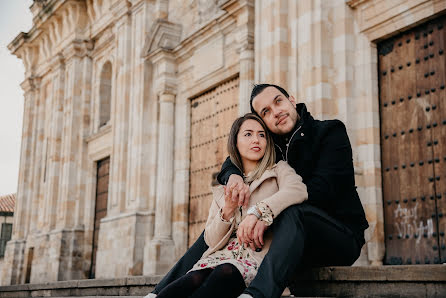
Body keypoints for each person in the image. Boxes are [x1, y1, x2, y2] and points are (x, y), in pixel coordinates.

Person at [147, 84, 369, 298]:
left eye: (278, 102)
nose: (276, 113)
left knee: (295, 213)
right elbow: (234, 158)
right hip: (287, 246)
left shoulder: (329, 131)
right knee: (211, 232)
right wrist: (233, 177)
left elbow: (320, 191)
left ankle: (256, 294)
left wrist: (263, 212)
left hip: (338, 236)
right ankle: (157, 292)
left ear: (291, 100)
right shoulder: (271, 146)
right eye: (266, 112)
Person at [150, 113, 307, 298]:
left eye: (261, 135)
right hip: (219, 257)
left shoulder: (278, 169)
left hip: (256, 258)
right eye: (248, 134)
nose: (256, 139)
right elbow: (212, 240)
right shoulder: (224, 189)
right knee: (191, 280)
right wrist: (228, 209)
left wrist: (259, 211)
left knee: (224, 274)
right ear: (236, 142)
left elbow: (298, 190)